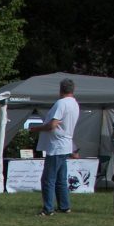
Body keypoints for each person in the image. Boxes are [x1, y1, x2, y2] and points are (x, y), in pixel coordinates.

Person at [29, 78, 80, 216]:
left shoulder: (61, 103)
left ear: (60, 90)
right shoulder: (75, 104)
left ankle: (48, 208)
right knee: (60, 178)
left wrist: (36, 129)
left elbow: (52, 125)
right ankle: (64, 205)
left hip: (57, 146)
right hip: (66, 145)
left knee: (48, 179)